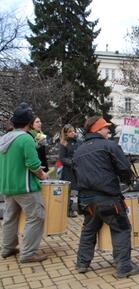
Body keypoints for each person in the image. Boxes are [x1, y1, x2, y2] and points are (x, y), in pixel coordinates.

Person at [74, 116, 139, 278]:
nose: (108, 130)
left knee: (89, 229)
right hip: (108, 198)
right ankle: (124, 266)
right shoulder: (109, 146)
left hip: (86, 200)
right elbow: (124, 169)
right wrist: (128, 180)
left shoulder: (79, 150)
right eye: (105, 128)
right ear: (97, 130)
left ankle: (82, 263)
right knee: (121, 228)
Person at [0, 102, 48, 263]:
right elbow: (33, 164)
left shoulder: (4, 138)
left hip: (7, 186)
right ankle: (28, 253)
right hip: (25, 186)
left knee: (10, 217)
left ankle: (8, 248)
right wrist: (42, 175)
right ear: (28, 123)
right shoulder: (26, 138)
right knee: (36, 216)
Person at [58, 124, 80, 218]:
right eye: (70, 131)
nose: (73, 133)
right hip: (69, 171)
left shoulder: (79, 142)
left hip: (79, 169)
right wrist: (72, 163)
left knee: (79, 190)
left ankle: (81, 207)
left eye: (73, 131)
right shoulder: (63, 143)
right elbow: (62, 158)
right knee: (69, 191)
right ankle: (69, 209)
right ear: (66, 133)